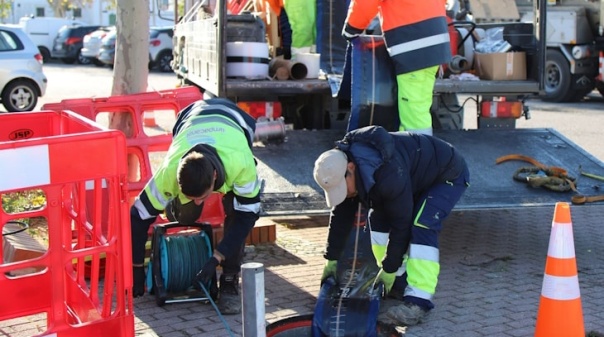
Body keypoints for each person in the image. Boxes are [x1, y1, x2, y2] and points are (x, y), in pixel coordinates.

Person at [313, 125, 469, 326]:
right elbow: (341, 215)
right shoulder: (348, 167)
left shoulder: (387, 174)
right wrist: (331, 258)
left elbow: (401, 225)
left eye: (343, 188)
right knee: (377, 222)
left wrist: (389, 266)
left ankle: (417, 302)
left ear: (350, 168)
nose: (344, 193)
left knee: (421, 225)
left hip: (447, 173)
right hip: (413, 177)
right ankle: (398, 283)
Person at [130, 98, 261, 315]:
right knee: (187, 213)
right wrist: (136, 269)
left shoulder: (240, 163)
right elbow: (138, 216)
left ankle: (229, 281)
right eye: (192, 196)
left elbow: (247, 217)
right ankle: (175, 206)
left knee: (235, 210)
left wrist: (217, 257)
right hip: (190, 118)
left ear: (215, 177)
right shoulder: (169, 172)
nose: (200, 201)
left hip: (236, 124)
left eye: (203, 197)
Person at [341, 0, 451, 135]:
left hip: (413, 44)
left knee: (414, 113)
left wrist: (351, 29)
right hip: (433, 42)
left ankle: (418, 151)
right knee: (415, 107)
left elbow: (365, 3)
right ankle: (411, 148)